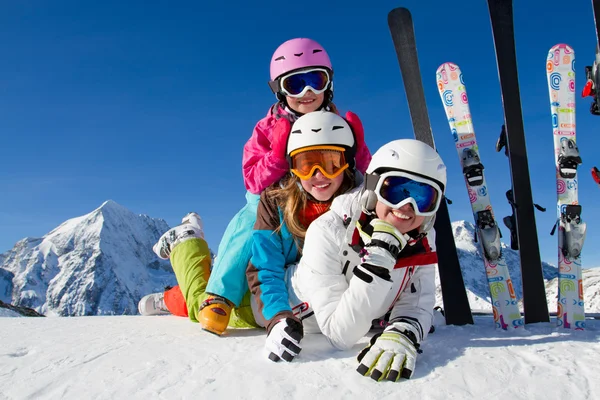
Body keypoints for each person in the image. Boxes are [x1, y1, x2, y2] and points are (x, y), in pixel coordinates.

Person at [194, 37, 371, 335]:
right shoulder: (267, 127)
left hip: (318, 202)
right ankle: (219, 295)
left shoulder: (336, 125)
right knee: (250, 222)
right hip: (275, 202)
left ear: (329, 84)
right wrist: (277, 157)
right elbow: (251, 179)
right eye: (295, 84)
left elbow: (360, 174)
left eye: (316, 80)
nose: (307, 92)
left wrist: (360, 149)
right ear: (279, 89)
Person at [141, 111, 363, 334]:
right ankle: (185, 244)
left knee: (200, 293)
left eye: (331, 163)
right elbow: (265, 266)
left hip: (297, 293)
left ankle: (169, 296)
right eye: (306, 165)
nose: (320, 174)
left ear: (348, 162)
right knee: (202, 304)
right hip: (264, 296)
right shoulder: (279, 203)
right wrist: (277, 316)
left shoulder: (358, 203)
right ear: (292, 168)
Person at [260, 138, 445, 383]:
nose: (406, 206)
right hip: (275, 304)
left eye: (423, 197)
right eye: (396, 190)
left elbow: (417, 303)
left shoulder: (421, 238)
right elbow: (340, 336)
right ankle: (192, 242)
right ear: (372, 188)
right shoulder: (328, 230)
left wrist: (403, 332)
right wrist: (378, 260)